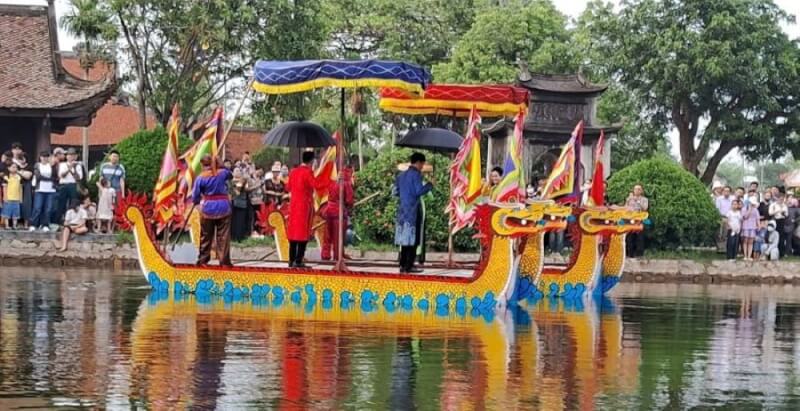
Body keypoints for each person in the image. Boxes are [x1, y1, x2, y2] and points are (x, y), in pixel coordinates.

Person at [286, 152, 327, 268]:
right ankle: (298, 260)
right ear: (312, 161)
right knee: (303, 233)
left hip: (294, 206)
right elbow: (316, 185)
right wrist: (327, 179)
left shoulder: (294, 172)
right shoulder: (308, 172)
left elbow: (288, 187)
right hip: (304, 206)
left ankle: (291, 260)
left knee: (293, 233)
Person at [394, 152, 433, 273]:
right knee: (413, 239)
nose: (422, 166)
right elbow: (418, 191)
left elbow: (395, 192)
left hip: (402, 211)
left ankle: (402, 265)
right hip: (413, 211)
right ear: (419, 162)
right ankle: (409, 266)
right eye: (422, 164)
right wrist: (429, 185)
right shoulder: (416, 175)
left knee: (404, 240)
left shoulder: (401, 175)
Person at [192, 155, 233, 266]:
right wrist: (221, 164)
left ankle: (203, 261)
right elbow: (230, 174)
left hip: (208, 208)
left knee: (206, 235)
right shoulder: (222, 173)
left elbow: (195, 196)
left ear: (202, 165)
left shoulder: (200, 178)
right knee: (223, 236)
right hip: (223, 207)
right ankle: (224, 262)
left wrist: (196, 201)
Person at [321, 166, 354, 261]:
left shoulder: (332, 183)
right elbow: (349, 200)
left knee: (327, 235)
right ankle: (337, 256)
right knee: (338, 236)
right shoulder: (346, 184)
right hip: (338, 212)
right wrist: (350, 207)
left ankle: (325, 255)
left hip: (329, 211)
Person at [56, 148, 86, 225]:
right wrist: (69, 168)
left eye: (73, 155)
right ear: (67, 156)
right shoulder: (62, 165)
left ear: (76, 156)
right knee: (61, 203)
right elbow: (61, 175)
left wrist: (74, 168)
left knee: (73, 202)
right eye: (69, 155)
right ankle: (60, 220)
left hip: (73, 184)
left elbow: (79, 177)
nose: (71, 157)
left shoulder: (78, 165)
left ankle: (73, 220)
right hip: (64, 184)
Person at [30, 151, 57, 231]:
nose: (44, 158)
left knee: (48, 209)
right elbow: (38, 176)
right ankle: (33, 224)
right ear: (40, 157)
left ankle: (45, 224)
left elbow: (55, 177)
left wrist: (48, 179)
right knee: (37, 208)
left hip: (50, 190)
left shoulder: (52, 166)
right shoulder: (37, 165)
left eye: (46, 157)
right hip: (40, 189)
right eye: (43, 156)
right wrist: (49, 179)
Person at [11, 143, 33, 229]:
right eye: (15, 149)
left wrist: (18, 171)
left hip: (26, 184)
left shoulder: (28, 162)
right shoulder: (10, 161)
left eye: (19, 149)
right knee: (14, 203)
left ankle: (26, 223)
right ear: (12, 150)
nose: (17, 151)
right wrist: (22, 172)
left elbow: (28, 176)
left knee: (26, 203)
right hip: (13, 185)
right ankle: (14, 223)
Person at [625, 184, 649, 257]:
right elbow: (625, 208)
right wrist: (628, 200)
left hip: (640, 219)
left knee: (640, 237)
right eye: (635, 189)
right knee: (629, 237)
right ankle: (629, 253)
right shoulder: (630, 199)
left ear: (641, 191)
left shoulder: (645, 199)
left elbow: (645, 208)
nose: (637, 191)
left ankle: (639, 254)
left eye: (639, 189)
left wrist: (637, 201)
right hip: (630, 219)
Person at [230, 168, 251, 242]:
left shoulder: (244, 181)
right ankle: (233, 237)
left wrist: (243, 184)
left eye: (239, 171)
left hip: (242, 203)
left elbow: (247, 189)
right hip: (232, 203)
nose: (237, 172)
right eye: (236, 171)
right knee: (233, 220)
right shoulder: (230, 181)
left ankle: (240, 237)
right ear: (233, 173)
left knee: (241, 220)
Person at [2, 162, 23, 229]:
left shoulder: (19, 177)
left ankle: (14, 225)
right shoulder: (6, 177)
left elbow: (20, 188)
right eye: (13, 167)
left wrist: (20, 198)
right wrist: (5, 197)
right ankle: (7, 225)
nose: (15, 169)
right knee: (7, 212)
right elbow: (4, 188)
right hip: (8, 198)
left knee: (16, 213)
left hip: (16, 198)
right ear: (9, 168)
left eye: (16, 167)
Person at [741, 195, 760, 261]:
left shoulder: (756, 210)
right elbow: (745, 217)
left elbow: (757, 218)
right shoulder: (744, 209)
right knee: (745, 241)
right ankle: (745, 255)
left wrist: (758, 226)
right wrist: (749, 209)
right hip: (746, 226)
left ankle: (749, 256)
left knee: (751, 242)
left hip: (753, 227)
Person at [769, 193, 789, 257]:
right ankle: (772, 252)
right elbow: (770, 213)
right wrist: (777, 211)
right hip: (775, 220)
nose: (781, 200)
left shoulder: (784, 205)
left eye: (782, 199)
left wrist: (784, 213)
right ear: (777, 199)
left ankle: (781, 253)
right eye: (780, 199)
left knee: (781, 237)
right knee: (774, 236)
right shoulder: (773, 205)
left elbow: (787, 215)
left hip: (782, 221)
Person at [249, 167, 265, 237]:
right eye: (259, 171)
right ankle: (251, 231)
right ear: (256, 170)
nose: (260, 173)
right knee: (251, 216)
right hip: (252, 201)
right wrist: (256, 186)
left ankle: (258, 231)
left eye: (262, 172)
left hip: (260, 201)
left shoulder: (262, 179)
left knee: (258, 217)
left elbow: (264, 190)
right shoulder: (251, 178)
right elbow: (248, 189)